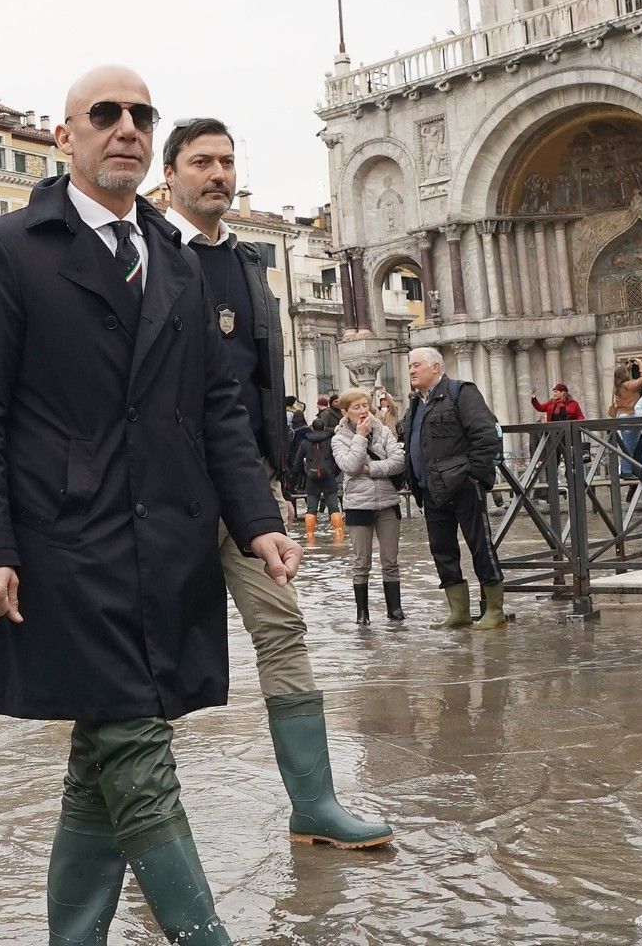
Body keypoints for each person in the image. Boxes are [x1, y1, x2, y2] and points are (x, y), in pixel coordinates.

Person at [0, 64, 301, 944]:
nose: (128, 128)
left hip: (168, 542)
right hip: (63, 545)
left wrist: (258, 520)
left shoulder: (175, 259)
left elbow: (219, 407)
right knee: (135, 746)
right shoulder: (6, 249)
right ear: (65, 135)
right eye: (105, 113)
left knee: (103, 754)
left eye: (142, 114)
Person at [163, 116, 389, 849]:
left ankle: (313, 805)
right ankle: (145, 826)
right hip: (164, 488)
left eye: (226, 162)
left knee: (284, 627)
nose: (217, 174)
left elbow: (261, 379)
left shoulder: (250, 263)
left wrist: (274, 477)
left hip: (248, 485)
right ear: (170, 175)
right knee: (152, 647)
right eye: (201, 162)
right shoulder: (147, 251)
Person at [403, 346, 504, 631]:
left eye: (417, 365)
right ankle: (459, 612)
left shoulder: (461, 392)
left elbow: (485, 435)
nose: (411, 370)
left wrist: (473, 475)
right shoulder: (416, 403)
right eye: (410, 366)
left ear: (436, 367)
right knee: (441, 549)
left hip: (463, 485)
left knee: (480, 545)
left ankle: (494, 610)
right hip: (430, 488)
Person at [331, 388, 407, 624]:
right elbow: (350, 466)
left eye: (365, 405)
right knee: (361, 562)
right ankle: (362, 614)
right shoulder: (339, 438)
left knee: (390, 561)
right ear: (345, 412)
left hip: (387, 502)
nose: (363, 410)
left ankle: (395, 611)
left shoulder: (383, 430)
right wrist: (360, 437)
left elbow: (398, 461)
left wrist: (371, 469)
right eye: (357, 407)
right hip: (358, 505)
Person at [292, 415, 342, 542]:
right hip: (329, 479)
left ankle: (310, 538)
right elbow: (339, 461)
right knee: (334, 508)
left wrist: (306, 473)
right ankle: (338, 536)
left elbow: (297, 464)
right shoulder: (331, 441)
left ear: (312, 428)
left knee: (311, 510)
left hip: (312, 480)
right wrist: (333, 473)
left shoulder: (305, 443)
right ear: (324, 427)